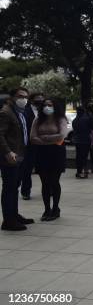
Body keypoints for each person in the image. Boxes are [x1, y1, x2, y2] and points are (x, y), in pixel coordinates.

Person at [0, 87, 35, 231]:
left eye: (26, 96)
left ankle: (14, 215)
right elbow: (0, 135)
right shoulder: (5, 112)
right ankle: (8, 221)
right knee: (9, 188)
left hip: (20, 155)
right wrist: (7, 152)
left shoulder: (19, 112)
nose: (24, 99)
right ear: (12, 98)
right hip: (10, 157)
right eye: (20, 96)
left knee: (15, 187)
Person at [30, 98, 68, 221]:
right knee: (45, 183)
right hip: (42, 153)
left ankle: (56, 208)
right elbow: (32, 137)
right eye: (45, 105)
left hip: (56, 153)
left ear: (55, 106)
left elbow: (62, 135)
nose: (47, 107)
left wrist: (43, 138)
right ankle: (47, 209)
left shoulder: (60, 119)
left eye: (50, 105)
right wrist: (51, 139)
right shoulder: (38, 119)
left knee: (54, 181)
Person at [19, 92, 43, 200]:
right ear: (32, 100)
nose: (40, 101)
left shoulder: (45, 111)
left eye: (42, 99)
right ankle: (26, 191)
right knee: (27, 170)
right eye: (38, 99)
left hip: (43, 145)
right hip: (29, 146)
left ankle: (48, 189)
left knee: (44, 169)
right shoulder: (25, 111)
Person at [72, 106, 93, 179]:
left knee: (78, 156)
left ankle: (79, 171)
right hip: (86, 140)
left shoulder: (74, 120)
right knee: (84, 156)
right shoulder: (87, 119)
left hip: (77, 140)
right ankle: (85, 171)